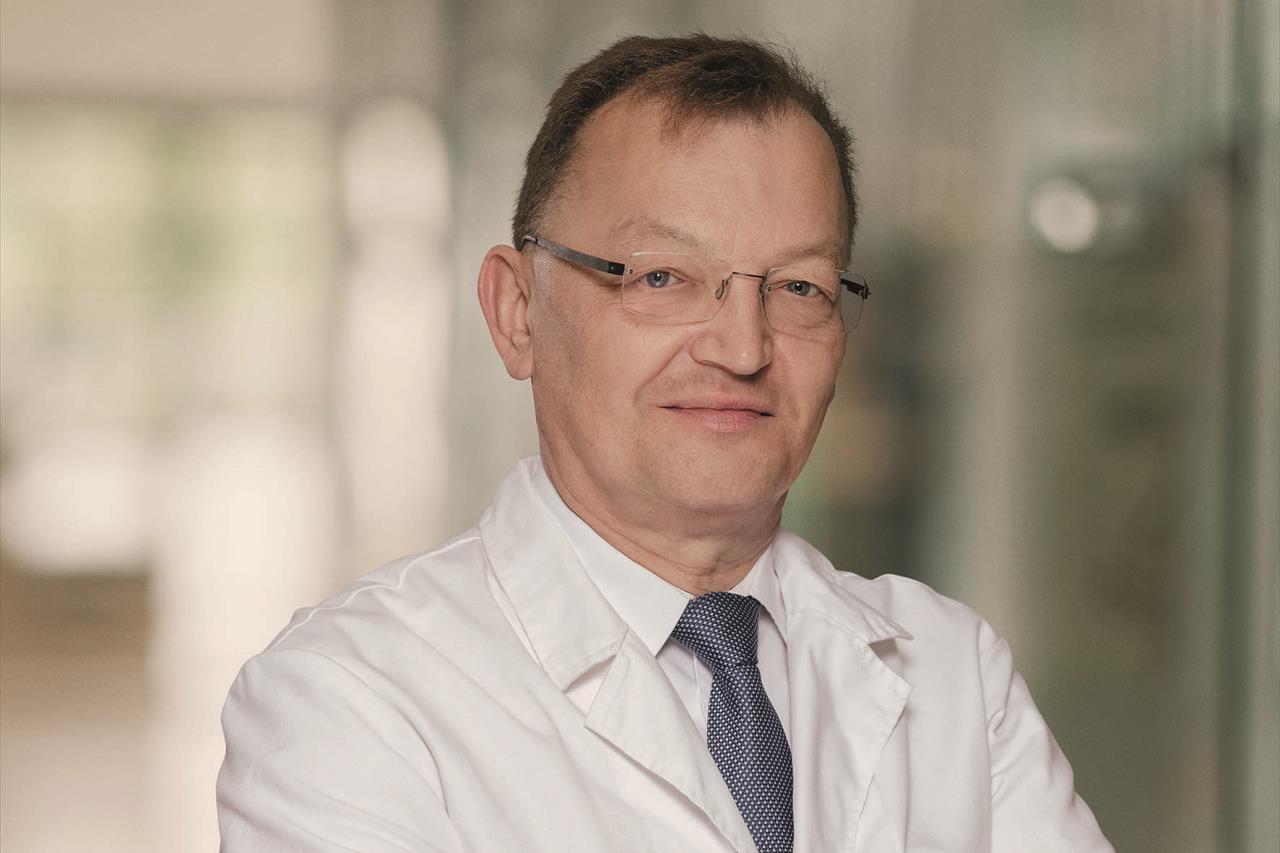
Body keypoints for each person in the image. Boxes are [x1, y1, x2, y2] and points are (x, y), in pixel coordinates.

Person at [217, 34, 1113, 852]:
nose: (742, 348)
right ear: (517, 312)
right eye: (662, 277)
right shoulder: (349, 697)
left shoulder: (953, 672)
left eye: (799, 288)